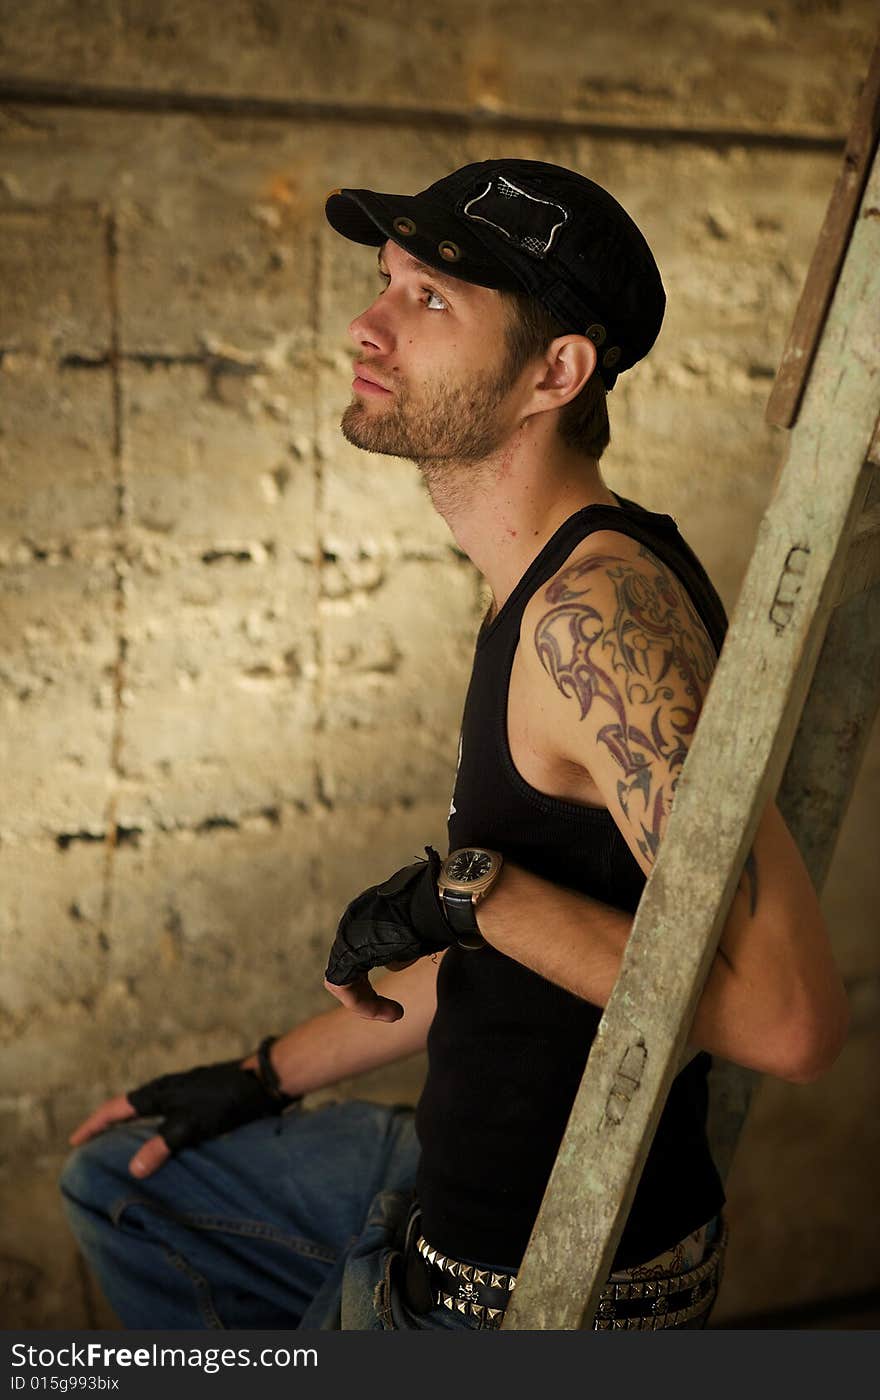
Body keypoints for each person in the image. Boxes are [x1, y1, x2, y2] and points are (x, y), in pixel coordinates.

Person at [60, 159, 849, 1332]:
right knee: (122, 1176)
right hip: (447, 1193)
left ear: (556, 372)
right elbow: (528, 946)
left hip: (527, 1287)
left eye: (431, 301)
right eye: (386, 280)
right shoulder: (532, 586)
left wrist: (469, 891)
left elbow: (788, 1019)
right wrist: (259, 1073)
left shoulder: (594, 619)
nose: (367, 323)